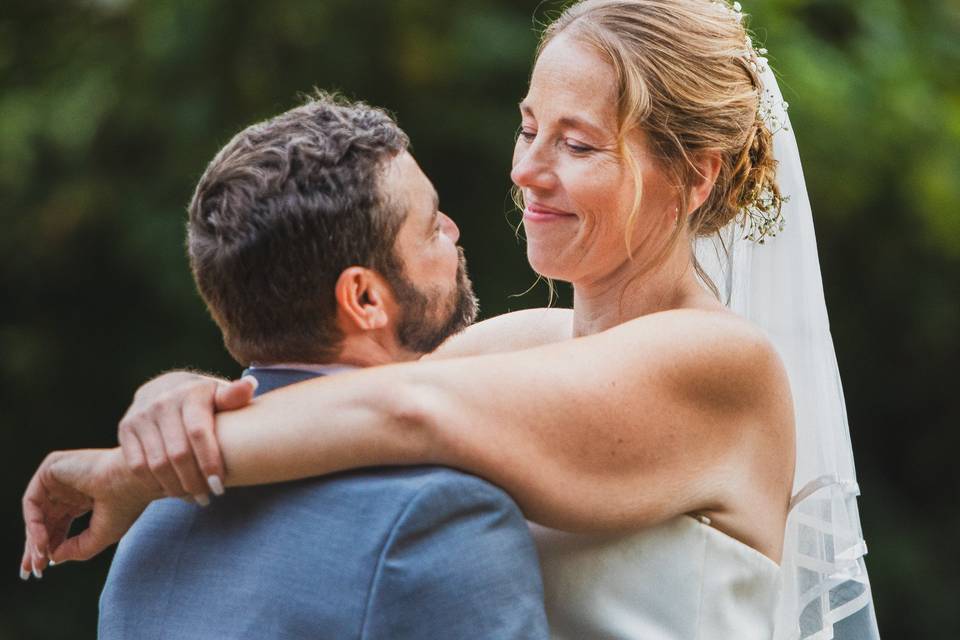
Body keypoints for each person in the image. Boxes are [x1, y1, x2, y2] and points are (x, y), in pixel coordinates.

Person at [22, 1, 879, 638]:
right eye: (528, 127)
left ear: (694, 177)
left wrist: (135, 473)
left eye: (577, 145)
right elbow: (330, 392)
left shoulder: (722, 362)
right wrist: (184, 395)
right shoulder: (521, 342)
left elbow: (405, 414)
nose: (527, 170)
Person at [76, 94, 552, 639]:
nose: (452, 229)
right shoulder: (436, 513)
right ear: (364, 299)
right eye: (428, 226)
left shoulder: (158, 519)